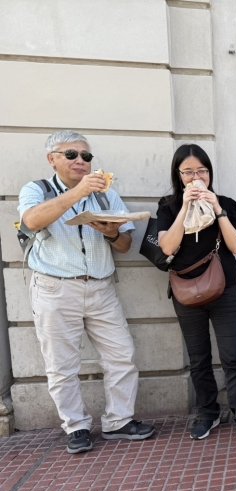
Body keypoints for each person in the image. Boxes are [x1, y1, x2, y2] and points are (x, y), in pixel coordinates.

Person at [18, 130, 156, 454]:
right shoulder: (36, 190)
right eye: (72, 155)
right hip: (55, 288)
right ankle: (76, 426)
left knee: (122, 355)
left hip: (101, 287)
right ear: (52, 159)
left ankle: (119, 420)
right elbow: (32, 220)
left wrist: (111, 233)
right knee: (61, 365)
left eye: (86, 156)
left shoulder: (106, 194)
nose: (81, 161)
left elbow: (124, 245)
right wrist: (78, 193)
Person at [157, 144, 236, 449]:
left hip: (224, 288)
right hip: (185, 291)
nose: (195, 177)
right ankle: (208, 413)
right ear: (178, 175)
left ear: (210, 172)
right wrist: (184, 210)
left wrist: (217, 210)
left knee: (232, 357)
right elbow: (167, 246)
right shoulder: (167, 206)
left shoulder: (227, 203)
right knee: (198, 358)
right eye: (188, 171)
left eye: (201, 170)